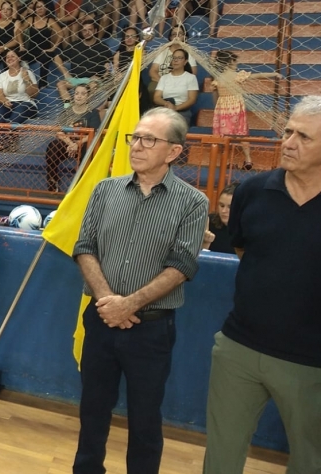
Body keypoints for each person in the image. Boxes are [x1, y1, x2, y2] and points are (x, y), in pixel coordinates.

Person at [71, 107, 208, 473]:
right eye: (136, 137)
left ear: (174, 151)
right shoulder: (105, 190)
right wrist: (108, 303)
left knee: (146, 420)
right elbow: (84, 247)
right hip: (100, 321)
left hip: (150, 330)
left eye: (150, 139)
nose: (137, 146)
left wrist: (127, 304)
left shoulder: (193, 203)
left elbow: (181, 266)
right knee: (92, 411)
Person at [202, 96, 321, 473]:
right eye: (287, 131)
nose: (288, 142)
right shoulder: (252, 192)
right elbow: (242, 249)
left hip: (311, 361)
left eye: (304, 137)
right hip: (239, 348)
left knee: (309, 459)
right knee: (220, 458)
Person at [210, 50, 282, 170]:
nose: (236, 64)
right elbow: (257, 76)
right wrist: (273, 74)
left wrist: (217, 108)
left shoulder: (218, 79)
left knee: (224, 134)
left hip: (222, 107)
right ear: (230, 62)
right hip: (236, 107)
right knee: (241, 133)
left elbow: (214, 96)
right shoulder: (237, 75)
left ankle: (227, 161)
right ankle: (248, 159)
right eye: (235, 61)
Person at [44, 83, 101, 192]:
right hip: (68, 143)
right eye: (76, 93)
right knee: (52, 147)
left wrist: (77, 144)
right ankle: (52, 181)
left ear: (88, 96)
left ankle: (81, 185)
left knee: (89, 149)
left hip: (83, 143)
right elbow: (59, 131)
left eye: (83, 94)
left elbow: (94, 133)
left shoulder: (93, 113)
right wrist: (71, 144)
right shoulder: (67, 111)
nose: (79, 96)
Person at [54, 20, 111, 106]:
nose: (87, 32)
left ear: (95, 31)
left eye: (90, 29)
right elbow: (56, 58)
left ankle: (85, 106)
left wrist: (101, 76)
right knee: (60, 84)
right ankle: (68, 106)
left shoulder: (103, 47)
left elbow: (108, 67)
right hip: (75, 79)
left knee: (93, 85)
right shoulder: (75, 45)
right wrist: (65, 73)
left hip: (92, 80)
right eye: (84, 30)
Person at [0, 49, 39, 149]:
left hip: (26, 103)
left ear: (19, 58)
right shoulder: (2, 76)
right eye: (7, 57)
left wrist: (26, 80)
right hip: (8, 103)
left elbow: (34, 94)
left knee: (16, 115)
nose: (9, 58)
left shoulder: (27, 73)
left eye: (13, 56)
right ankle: (8, 142)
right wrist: (4, 101)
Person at [148, 25, 198, 97]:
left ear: (185, 37)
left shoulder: (189, 52)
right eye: (174, 34)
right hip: (160, 81)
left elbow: (193, 73)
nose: (176, 37)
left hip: (180, 83)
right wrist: (163, 83)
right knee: (152, 88)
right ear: (170, 38)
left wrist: (176, 84)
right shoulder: (162, 51)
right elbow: (152, 71)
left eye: (180, 34)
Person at [153, 49, 199, 124]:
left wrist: (175, 108)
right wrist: (167, 104)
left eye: (179, 58)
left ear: (185, 61)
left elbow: (192, 99)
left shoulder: (191, 78)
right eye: (174, 58)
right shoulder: (164, 78)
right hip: (166, 109)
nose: (176, 60)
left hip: (182, 112)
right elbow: (156, 97)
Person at [201, 183, 236, 254]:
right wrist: (205, 243)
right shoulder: (209, 222)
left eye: (230, 207)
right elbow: (196, 259)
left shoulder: (248, 227)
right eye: (222, 205)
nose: (224, 211)